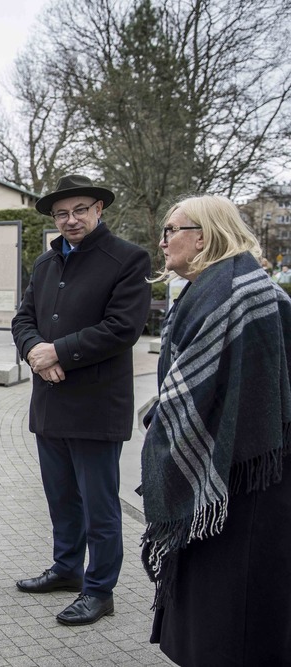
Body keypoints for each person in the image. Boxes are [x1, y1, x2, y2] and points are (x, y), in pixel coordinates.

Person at [141, 195, 291, 664]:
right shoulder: (219, 284)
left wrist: (167, 421)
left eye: (172, 230)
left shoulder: (237, 292)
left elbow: (221, 393)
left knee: (234, 604)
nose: (163, 241)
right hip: (228, 469)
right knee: (216, 596)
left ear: (203, 236)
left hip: (243, 475)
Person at [11, 174, 151, 626]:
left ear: (98, 210)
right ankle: (67, 568)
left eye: (79, 210)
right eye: (62, 213)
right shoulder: (45, 263)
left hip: (95, 406)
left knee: (100, 507)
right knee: (61, 498)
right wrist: (35, 351)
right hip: (49, 402)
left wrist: (59, 351)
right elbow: (23, 318)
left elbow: (122, 327)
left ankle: (99, 589)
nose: (71, 220)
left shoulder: (128, 259)